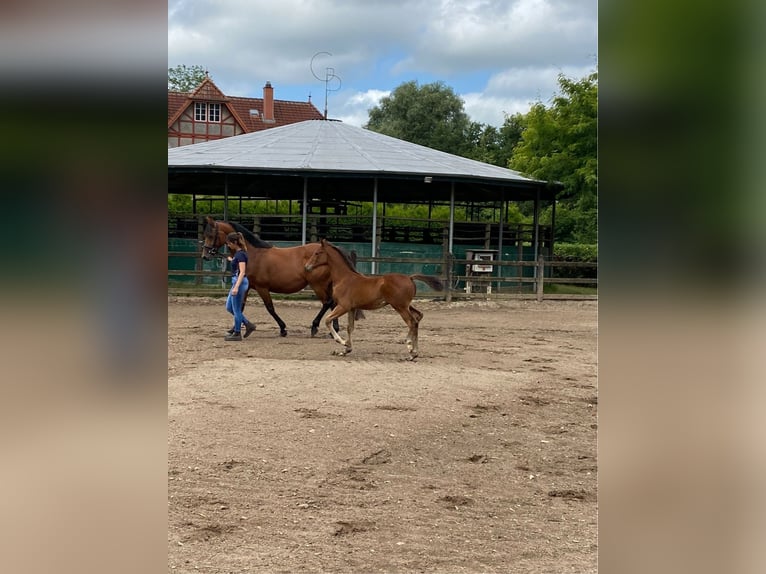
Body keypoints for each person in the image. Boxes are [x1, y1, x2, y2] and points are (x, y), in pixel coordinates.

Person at [224, 232, 255, 341]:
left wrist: (236, 287)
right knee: (229, 307)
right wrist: (231, 260)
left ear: (235, 242)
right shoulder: (238, 254)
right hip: (236, 282)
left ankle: (237, 333)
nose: (228, 245)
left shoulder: (241, 255)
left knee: (236, 309)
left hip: (239, 282)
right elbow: (238, 266)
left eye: (229, 243)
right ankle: (248, 324)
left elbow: (242, 272)